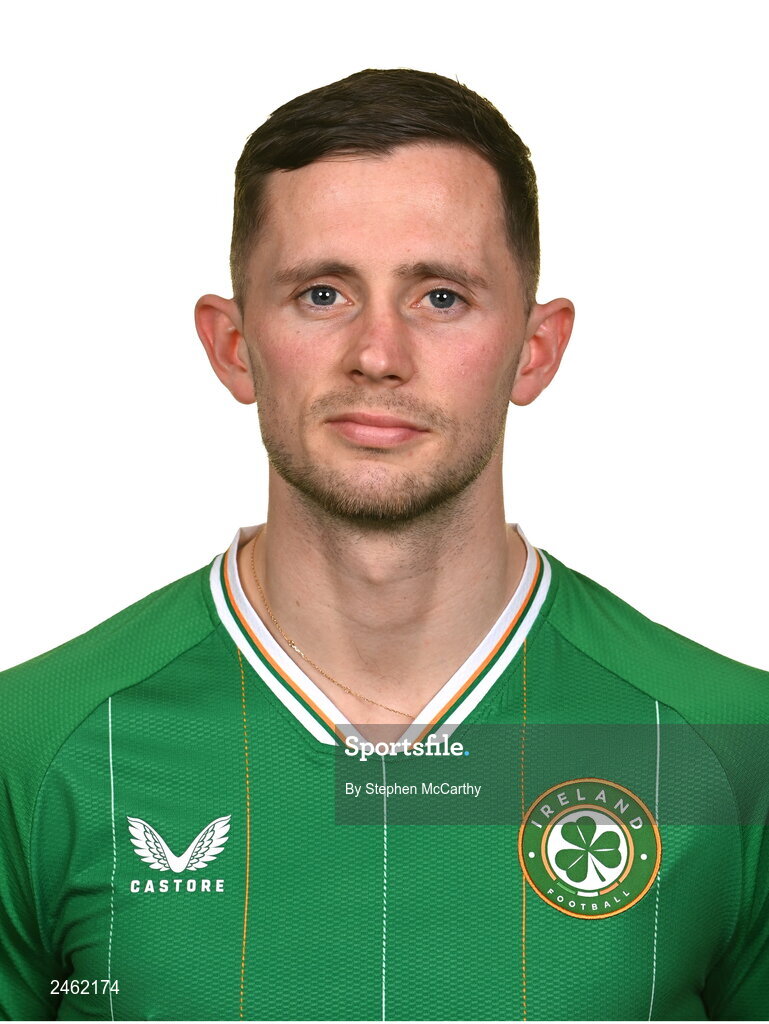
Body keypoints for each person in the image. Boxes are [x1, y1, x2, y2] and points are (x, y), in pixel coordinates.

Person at [1, 68, 767, 1023]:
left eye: (441, 297)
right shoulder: (34, 746)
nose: (377, 352)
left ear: (535, 349)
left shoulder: (732, 745)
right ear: (233, 345)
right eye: (322, 293)